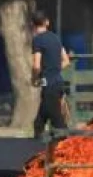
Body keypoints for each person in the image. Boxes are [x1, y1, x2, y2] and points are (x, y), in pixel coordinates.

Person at [30, 11, 71, 140]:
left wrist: (35, 79)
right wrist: (55, 70)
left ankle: (66, 147)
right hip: (58, 82)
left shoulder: (37, 41)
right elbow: (66, 61)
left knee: (57, 122)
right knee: (39, 122)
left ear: (33, 25)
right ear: (47, 22)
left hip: (49, 85)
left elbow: (36, 65)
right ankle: (38, 150)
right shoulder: (56, 38)